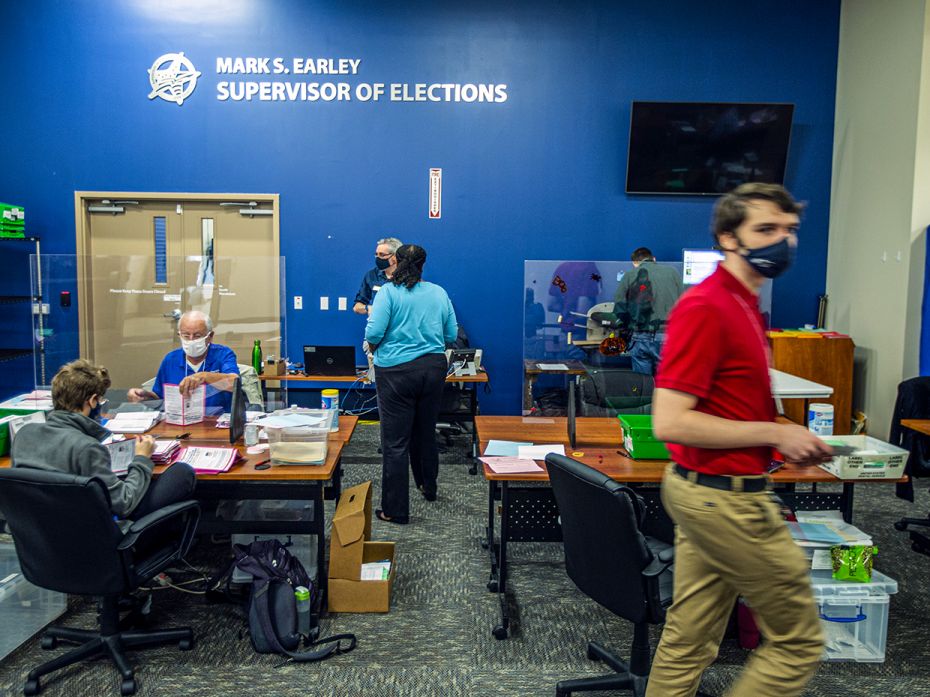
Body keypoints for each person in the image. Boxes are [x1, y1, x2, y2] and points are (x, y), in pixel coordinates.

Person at [645, 183, 831, 697]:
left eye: (789, 231)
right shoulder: (707, 306)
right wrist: (774, 431)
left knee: (689, 639)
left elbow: (727, 403)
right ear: (728, 237)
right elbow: (670, 422)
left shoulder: (745, 304)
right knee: (797, 643)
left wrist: (781, 436)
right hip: (723, 500)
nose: (782, 242)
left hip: (711, 490)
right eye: (766, 230)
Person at [12, 359, 195, 520]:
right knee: (181, 473)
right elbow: (124, 504)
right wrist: (141, 459)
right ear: (92, 401)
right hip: (99, 544)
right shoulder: (87, 448)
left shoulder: (24, 435)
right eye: (100, 400)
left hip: (38, 541)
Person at [364, 244, 457, 524]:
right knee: (425, 431)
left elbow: (375, 332)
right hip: (433, 369)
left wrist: (379, 346)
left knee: (395, 443)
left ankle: (395, 510)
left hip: (395, 372)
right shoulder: (439, 292)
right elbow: (451, 333)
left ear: (396, 261)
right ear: (423, 264)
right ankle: (428, 487)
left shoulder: (389, 293)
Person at [127, 310, 239, 413]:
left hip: (215, 422)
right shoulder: (171, 359)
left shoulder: (223, 355)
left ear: (210, 336)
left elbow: (234, 383)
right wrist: (145, 396)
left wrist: (204, 376)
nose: (191, 340)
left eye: (197, 336)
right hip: (179, 423)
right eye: (186, 335)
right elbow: (160, 397)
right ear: (179, 335)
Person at [613, 247, 683, 374]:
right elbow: (684, 304)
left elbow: (620, 309)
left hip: (640, 336)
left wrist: (622, 333)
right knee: (666, 384)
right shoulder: (673, 273)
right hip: (668, 336)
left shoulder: (630, 275)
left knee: (643, 385)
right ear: (654, 259)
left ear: (635, 263)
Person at [353, 237, 403, 315]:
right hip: (378, 324)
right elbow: (357, 307)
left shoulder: (409, 275)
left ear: (395, 257)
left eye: (382, 255)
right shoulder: (371, 275)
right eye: (376, 254)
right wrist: (368, 308)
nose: (378, 258)